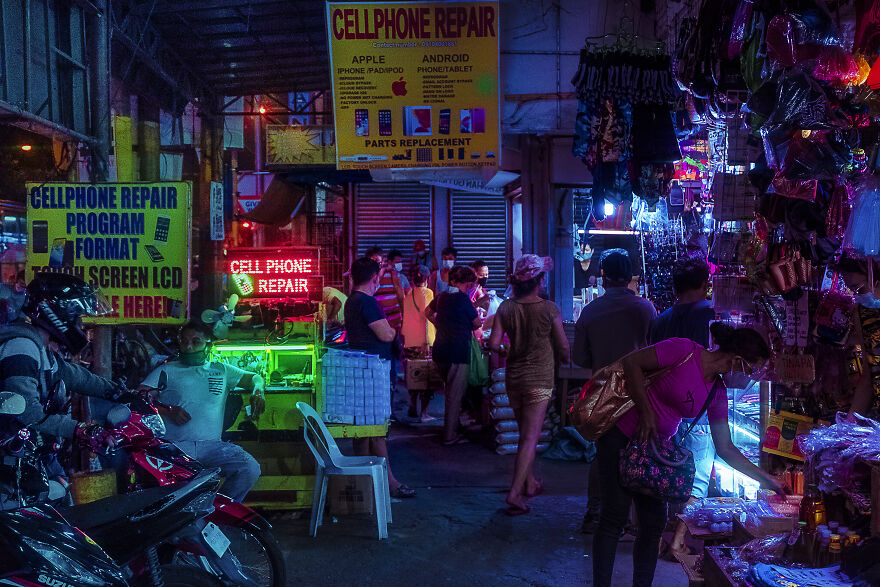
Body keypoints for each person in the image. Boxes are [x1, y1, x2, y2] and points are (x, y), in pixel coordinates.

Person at [592, 324, 785, 587]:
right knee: (614, 517)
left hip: (657, 454)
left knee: (653, 526)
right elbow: (632, 364)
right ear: (737, 361)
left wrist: (767, 480)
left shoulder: (717, 392)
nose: (749, 379)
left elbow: (725, 447)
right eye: (751, 371)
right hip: (621, 438)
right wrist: (646, 412)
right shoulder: (683, 351)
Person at [0, 273, 126, 507]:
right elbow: (28, 415)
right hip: (10, 462)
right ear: (57, 314)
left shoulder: (42, 349)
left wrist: (120, 392)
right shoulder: (22, 348)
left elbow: (76, 376)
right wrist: (81, 430)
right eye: (78, 317)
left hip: (35, 456)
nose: (81, 325)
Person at [573, 248, 657, 533]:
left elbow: (579, 359)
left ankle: (596, 514)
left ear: (603, 277)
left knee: (603, 455)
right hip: (639, 396)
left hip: (602, 397)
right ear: (630, 277)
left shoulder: (590, 311)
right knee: (638, 453)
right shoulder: (646, 309)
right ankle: (635, 520)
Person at [140, 320, 266, 502]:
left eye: (196, 341)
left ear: (208, 345)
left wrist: (258, 391)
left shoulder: (221, 370)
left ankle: (217, 510)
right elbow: (139, 397)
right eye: (184, 341)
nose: (189, 347)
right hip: (175, 446)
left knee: (249, 469)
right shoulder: (166, 370)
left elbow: (255, 377)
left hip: (213, 446)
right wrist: (167, 410)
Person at [489, 255, 570, 515]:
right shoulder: (549, 309)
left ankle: (530, 482)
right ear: (538, 281)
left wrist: (510, 349)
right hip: (539, 381)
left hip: (514, 379)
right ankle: (514, 493)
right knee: (529, 438)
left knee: (525, 432)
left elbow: (493, 345)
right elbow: (564, 348)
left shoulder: (506, 308)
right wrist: (566, 357)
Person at [648, 256, 717, 559]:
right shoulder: (713, 315)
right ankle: (678, 540)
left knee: (669, 475)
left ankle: (663, 536)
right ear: (705, 284)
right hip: (698, 411)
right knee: (697, 478)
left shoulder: (661, 319)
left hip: (664, 413)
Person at [344, 257, 415, 498]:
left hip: (361, 370)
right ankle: (389, 483)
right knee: (375, 430)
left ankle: (367, 481)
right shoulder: (367, 302)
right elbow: (385, 335)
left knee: (364, 432)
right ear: (375, 278)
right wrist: (396, 332)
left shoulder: (352, 301)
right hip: (372, 373)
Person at [425, 265, 481, 445]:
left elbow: (427, 312)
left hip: (440, 351)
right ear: (467, 283)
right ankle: (450, 437)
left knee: (450, 392)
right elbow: (477, 323)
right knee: (454, 396)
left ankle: (453, 427)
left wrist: (439, 323)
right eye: (469, 285)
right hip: (457, 351)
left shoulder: (441, 297)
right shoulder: (463, 299)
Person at [401, 265, 436, 422]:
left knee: (413, 375)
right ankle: (424, 413)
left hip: (409, 341)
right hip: (424, 341)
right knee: (426, 377)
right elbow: (428, 318)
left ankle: (413, 407)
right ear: (427, 279)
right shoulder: (428, 293)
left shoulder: (408, 295)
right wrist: (427, 342)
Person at [366, 246, 404, 333]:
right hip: (377, 324)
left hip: (394, 322)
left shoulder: (392, 273)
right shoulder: (367, 278)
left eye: (377, 260)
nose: (375, 263)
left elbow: (400, 297)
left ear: (383, 261)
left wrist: (404, 317)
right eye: (371, 261)